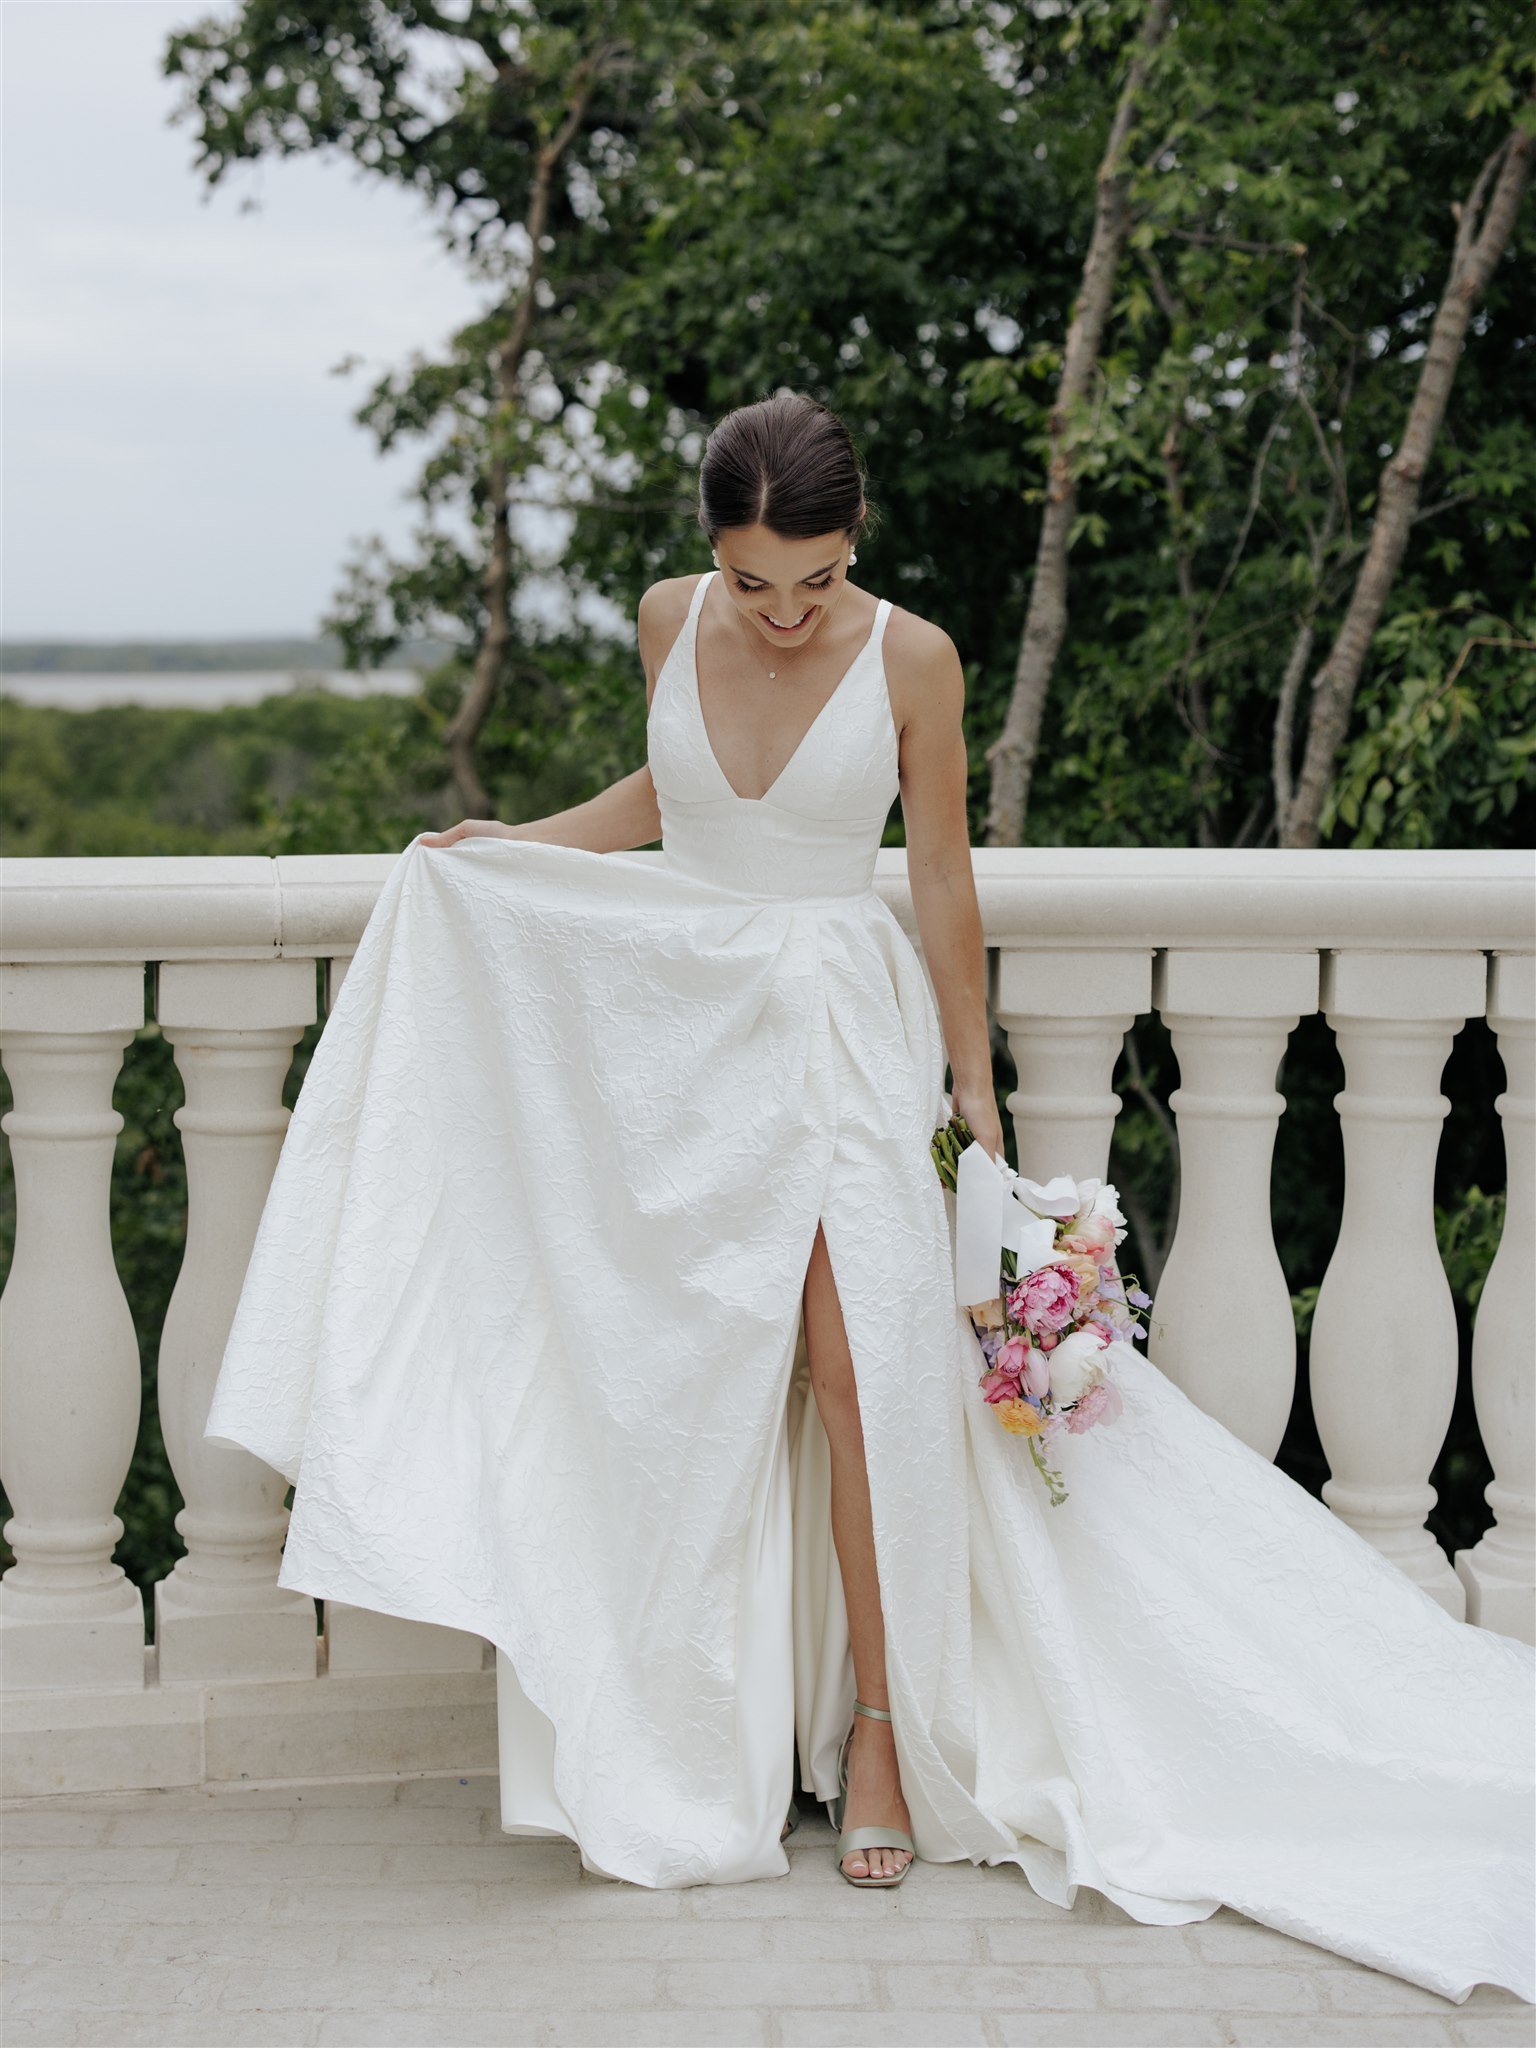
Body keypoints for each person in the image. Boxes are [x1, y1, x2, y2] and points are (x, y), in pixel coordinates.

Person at [205, 391, 1534, 1997]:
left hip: (836, 1027)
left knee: (865, 1382)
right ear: (712, 548)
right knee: (679, 1375)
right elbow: (672, 804)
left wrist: (973, 1093)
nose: (779, 614)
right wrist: (510, 848)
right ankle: (706, 1727)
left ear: (856, 545)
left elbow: (947, 871)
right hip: (679, 1029)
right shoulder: (661, 621)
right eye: (753, 581)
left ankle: (888, 1734)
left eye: (811, 582)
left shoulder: (914, 657)